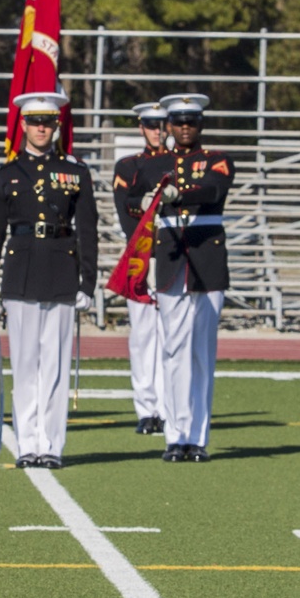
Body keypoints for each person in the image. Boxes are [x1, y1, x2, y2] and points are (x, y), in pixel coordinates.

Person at [0, 90, 97, 469]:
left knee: (56, 366)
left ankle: (52, 445)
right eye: (34, 122)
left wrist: (88, 282)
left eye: (47, 122)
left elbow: (89, 230)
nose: (41, 128)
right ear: (23, 126)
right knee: (26, 364)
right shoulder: (5, 175)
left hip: (62, 269)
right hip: (21, 272)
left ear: (57, 126)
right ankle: (27, 443)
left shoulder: (76, 172)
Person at [128, 93, 234, 462]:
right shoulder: (155, 166)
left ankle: (197, 437)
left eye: (192, 122)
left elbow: (214, 189)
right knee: (172, 351)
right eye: (179, 122)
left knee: (202, 353)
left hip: (207, 262)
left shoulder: (216, 160)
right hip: (172, 259)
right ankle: (175, 435)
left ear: (200, 125)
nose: (185, 127)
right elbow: (134, 194)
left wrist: (177, 193)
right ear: (168, 126)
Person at [112, 101, 167, 435]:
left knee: (172, 337)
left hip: (175, 258)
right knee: (144, 336)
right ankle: (147, 407)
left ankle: (169, 405)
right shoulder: (129, 167)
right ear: (141, 127)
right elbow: (123, 209)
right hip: (142, 258)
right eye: (151, 125)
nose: (157, 131)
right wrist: (139, 205)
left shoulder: (182, 164)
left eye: (162, 125)